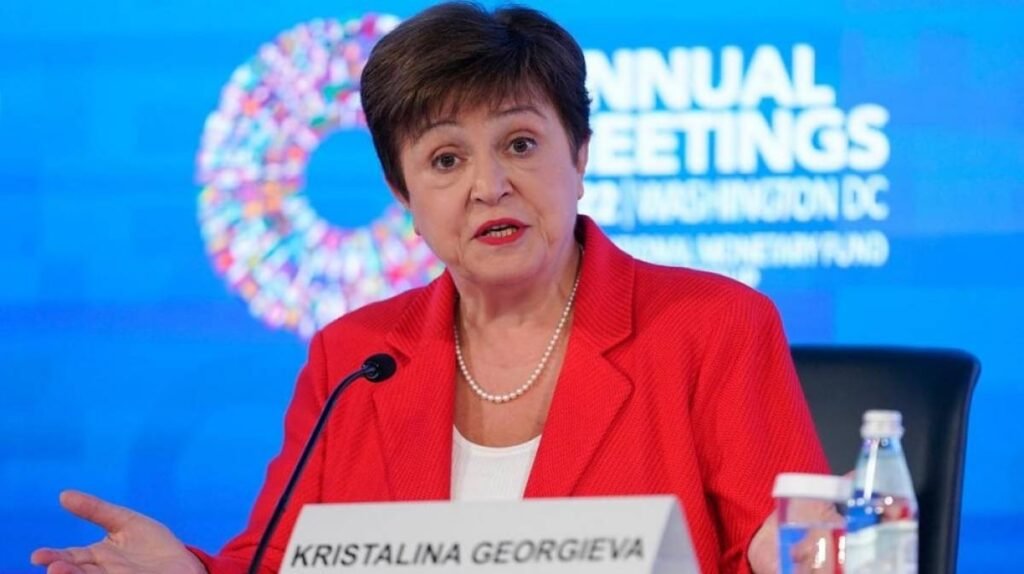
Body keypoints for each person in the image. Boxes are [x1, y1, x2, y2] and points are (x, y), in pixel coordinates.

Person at [31, 2, 829, 573]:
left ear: (579, 154)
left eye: (521, 143)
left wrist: (807, 553)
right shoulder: (355, 359)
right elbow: (277, 562)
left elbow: (791, 548)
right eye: (446, 159)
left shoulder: (712, 327)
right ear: (403, 194)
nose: (490, 185)